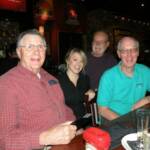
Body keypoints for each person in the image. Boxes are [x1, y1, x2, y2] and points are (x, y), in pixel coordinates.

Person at [0, 29, 77, 150]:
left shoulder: (51, 78)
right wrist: (45, 138)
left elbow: (63, 108)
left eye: (41, 47)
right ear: (19, 52)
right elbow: (4, 139)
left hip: (66, 142)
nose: (37, 52)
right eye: (30, 46)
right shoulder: (6, 84)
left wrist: (76, 126)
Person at [97, 36, 150, 121]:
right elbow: (102, 110)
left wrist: (146, 99)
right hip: (113, 121)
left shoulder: (145, 71)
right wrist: (125, 123)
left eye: (133, 50)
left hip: (138, 118)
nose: (129, 54)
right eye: (124, 51)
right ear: (119, 54)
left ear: (138, 52)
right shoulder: (108, 76)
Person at [58, 48, 95, 119]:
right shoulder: (58, 81)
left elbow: (86, 100)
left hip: (83, 120)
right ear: (67, 60)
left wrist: (91, 93)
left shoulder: (85, 79)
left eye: (81, 61)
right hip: (66, 122)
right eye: (75, 60)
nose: (78, 64)